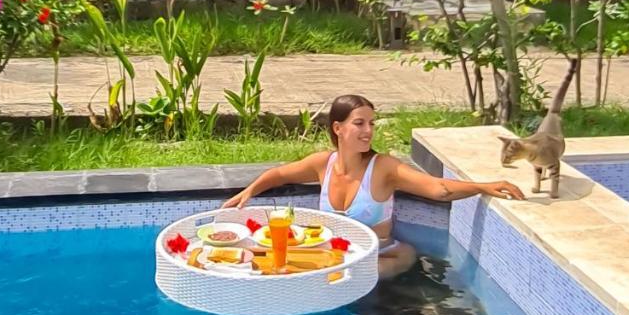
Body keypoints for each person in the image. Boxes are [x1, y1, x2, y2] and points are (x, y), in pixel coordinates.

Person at [222, 94, 525, 279]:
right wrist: (249, 192)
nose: (368, 131)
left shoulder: (382, 168)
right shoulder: (322, 163)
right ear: (337, 128)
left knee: (354, 276)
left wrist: (485, 186)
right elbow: (281, 174)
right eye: (359, 123)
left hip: (381, 256)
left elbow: (439, 190)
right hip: (335, 256)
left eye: (372, 123)